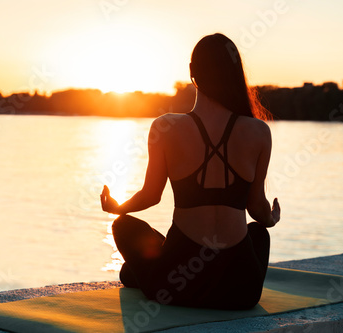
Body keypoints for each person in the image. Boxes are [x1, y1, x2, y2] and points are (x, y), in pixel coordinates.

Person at [100, 33, 281, 310]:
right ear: (235, 72)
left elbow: (150, 196)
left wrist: (117, 208)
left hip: (177, 286)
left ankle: (138, 271)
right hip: (241, 291)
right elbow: (257, 207)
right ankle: (140, 269)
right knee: (259, 233)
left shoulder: (166, 127)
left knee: (123, 225)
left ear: (191, 72)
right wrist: (271, 219)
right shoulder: (259, 131)